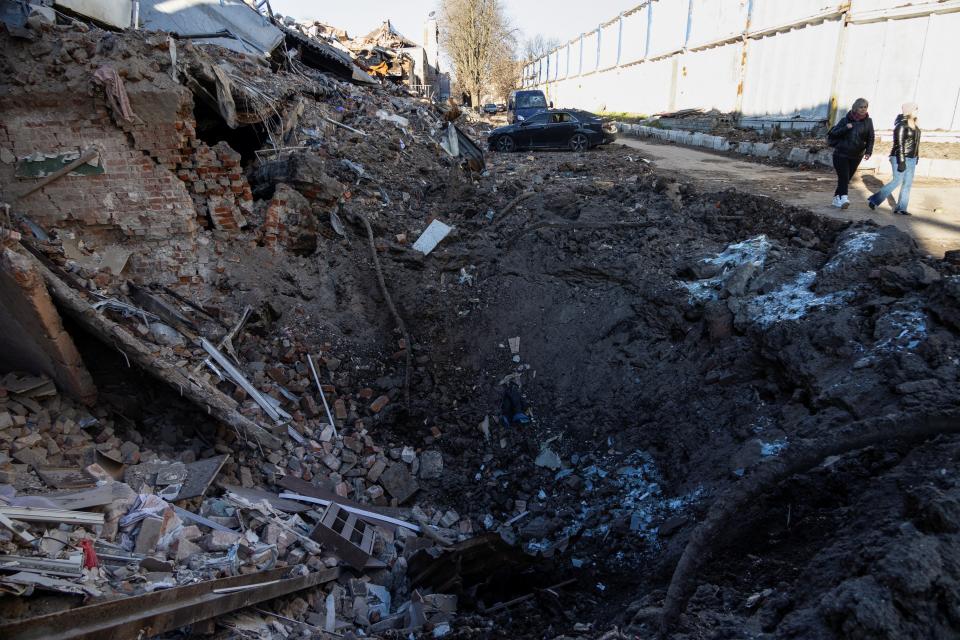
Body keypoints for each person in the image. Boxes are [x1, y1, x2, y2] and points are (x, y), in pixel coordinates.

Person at [868, 102, 921, 216]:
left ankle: (901, 208)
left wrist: (917, 156)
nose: (917, 111)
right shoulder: (901, 125)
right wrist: (901, 161)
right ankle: (874, 200)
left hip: (912, 158)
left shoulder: (915, 126)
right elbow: (899, 144)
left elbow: (916, 143)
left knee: (907, 183)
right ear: (909, 111)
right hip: (899, 157)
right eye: (915, 109)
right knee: (897, 180)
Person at [827, 98, 874, 209]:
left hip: (857, 155)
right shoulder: (845, 120)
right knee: (843, 177)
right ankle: (844, 198)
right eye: (861, 107)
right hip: (841, 154)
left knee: (847, 178)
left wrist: (868, 151)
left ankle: (836, 199)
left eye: (865, 107)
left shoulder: (868, 121)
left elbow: (871, 138)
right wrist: (845, 128)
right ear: (855, 108)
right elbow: (833, 133)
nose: (863, 109)